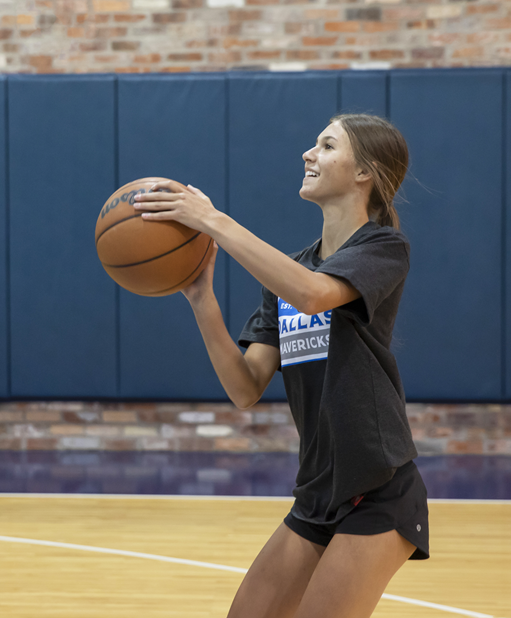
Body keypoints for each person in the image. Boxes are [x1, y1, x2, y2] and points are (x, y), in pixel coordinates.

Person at [132, 114, 427, 618]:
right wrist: (201, 297)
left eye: (327, 145)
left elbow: (315, 295)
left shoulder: (384, 248)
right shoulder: (289, 272)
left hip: (376, 488)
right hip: (316, 489)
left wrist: (212, 220)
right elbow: (245, 388)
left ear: (365, 173)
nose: (309, 154)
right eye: (314, 144)